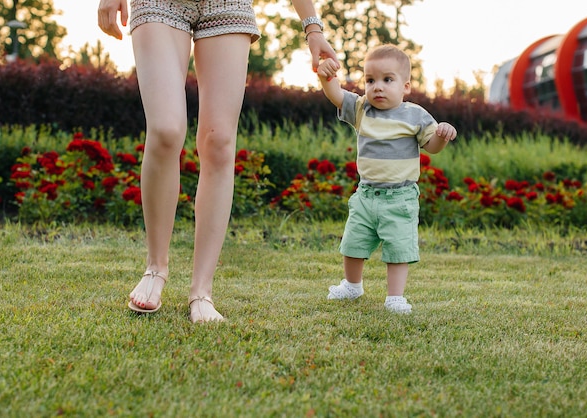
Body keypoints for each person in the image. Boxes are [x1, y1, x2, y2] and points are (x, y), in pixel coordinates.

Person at [97, 0, 338, 322]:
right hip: (159, 5)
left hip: (228, 6)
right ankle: (155, 268)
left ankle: (201, 291)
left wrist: (313, 28)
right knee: (166, 130)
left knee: (219, 142)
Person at [316, 44, 457, 314]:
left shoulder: (415, 115)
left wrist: (441, 134)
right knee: (353, 243)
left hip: (400, 198)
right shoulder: (361, 109)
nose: (377, 87)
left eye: (387, 80)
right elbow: (335, 95)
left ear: (405, 86)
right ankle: (352, 285)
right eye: (370, 80)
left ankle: (395, 297)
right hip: (366, 195)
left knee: (398, 248)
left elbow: (432, 147)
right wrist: (325, 77)